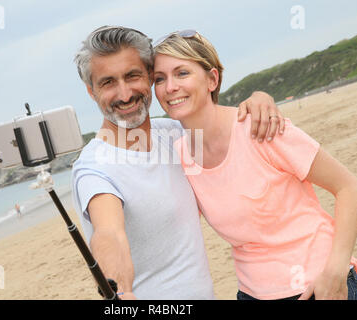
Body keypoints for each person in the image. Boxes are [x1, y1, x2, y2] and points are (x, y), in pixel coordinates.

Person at [71, 26, 285, 299]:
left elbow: (217, 119)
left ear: (150, 77)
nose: (124, 94)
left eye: (132, 76)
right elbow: (108, 234)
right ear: (91, 91)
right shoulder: (94, 167)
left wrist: (260, 98)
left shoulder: (176, 134)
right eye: (108, 82)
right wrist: (118, 289)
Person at [153, 30, 357, 300]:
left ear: (212, 79)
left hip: (317, 286)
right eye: (159, 79)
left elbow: (349, 187)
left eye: (182, 73)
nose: (170, 87)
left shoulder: (260, 127)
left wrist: (335, 271)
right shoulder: (180, 155)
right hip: (252, 294)